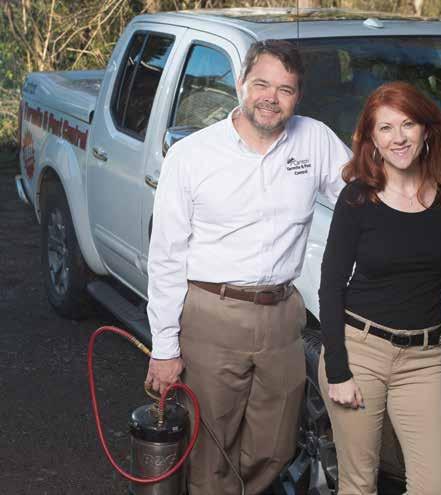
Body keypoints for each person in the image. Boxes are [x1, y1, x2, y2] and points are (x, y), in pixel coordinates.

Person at [144, 40, 351, 495]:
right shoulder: (192, 155)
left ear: (297, 96)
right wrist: (164, 347)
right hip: (212, 313)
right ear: (240, 84)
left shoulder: (315, 140)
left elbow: (366, 198)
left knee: (275, 446)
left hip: (282, 315)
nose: (271, 98)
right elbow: (166, 257)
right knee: (210, 447)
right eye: (261, 84)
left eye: (285, 89)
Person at [318, 81, 441, 495]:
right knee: (359, 484)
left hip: (425, 360)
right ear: (372, 140)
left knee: (434, 486)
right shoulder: (357, 198)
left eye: (408, 124)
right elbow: (331, 286)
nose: (398, 138)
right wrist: (338, 370)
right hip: (360, 352)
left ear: (426, 130)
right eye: (386, 128)